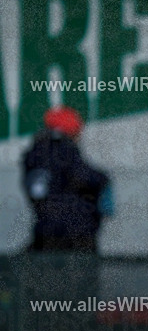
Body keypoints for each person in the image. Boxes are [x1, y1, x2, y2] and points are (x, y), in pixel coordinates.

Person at [22, 105, 113, 253]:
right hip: (76, 233)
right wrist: (104, 180)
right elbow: (84, 176)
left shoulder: (35, 153)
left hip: (45, 229)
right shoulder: (64, 149)